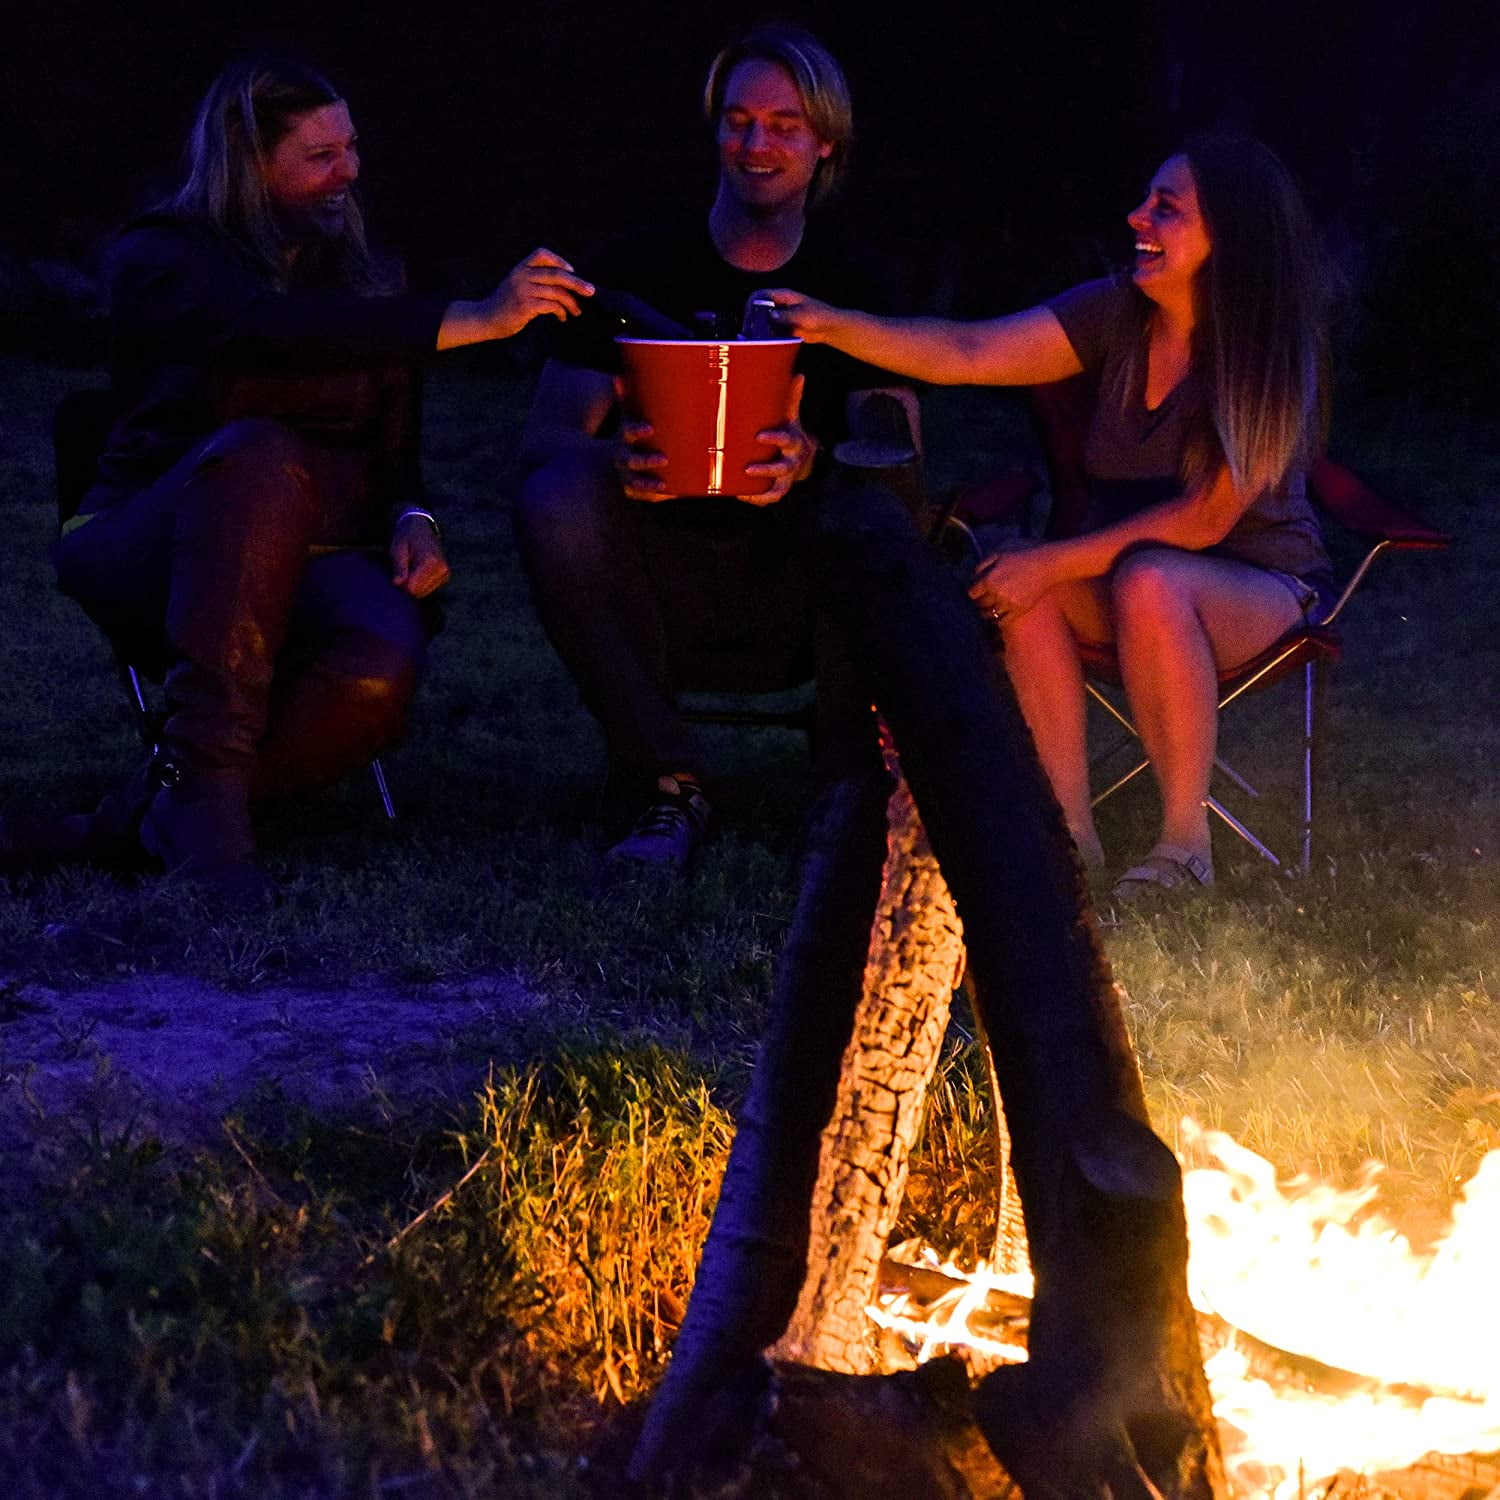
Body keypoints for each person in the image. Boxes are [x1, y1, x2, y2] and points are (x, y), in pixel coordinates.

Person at [7, 55, 592, 895]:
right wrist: (474, 320)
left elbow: (393, 450)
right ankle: (203, 817)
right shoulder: (163, 257)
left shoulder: (358, 276)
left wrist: (411, 516)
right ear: (250, 162)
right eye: (320, 156)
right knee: (258, 453)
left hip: (320, 552)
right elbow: (262, 333)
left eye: (350, 147)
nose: (348, 171)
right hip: (152, 541)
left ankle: (147, 814)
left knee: (378, 667)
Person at [763, 135, 1334, 903]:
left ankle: (1185, 843)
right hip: (1134, 574)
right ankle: (1066, 839)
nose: (1138, 217)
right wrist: (833, 324)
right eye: (1145, 199)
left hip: (1261, 583)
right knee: (1025, 589)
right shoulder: (1114, 315)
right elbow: (970, 349)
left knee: (1146, 580)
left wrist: (1057, 559)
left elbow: (1204, 519)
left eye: (1167, 208)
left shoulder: (1267, 350)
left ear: (1230, 236)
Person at [514, 22, 903, 876]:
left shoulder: (857, 282)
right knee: (555, 490)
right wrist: (617, 458)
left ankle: (847, 789)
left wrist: (812, 456)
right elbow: (546, 434)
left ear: (825, 143)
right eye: (737, 120)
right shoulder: (638, 271)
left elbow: (896, 442)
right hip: (656, 568)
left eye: (782, 125)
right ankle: (669, 779)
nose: (754, 143)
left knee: (882, 507)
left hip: (799, 579)